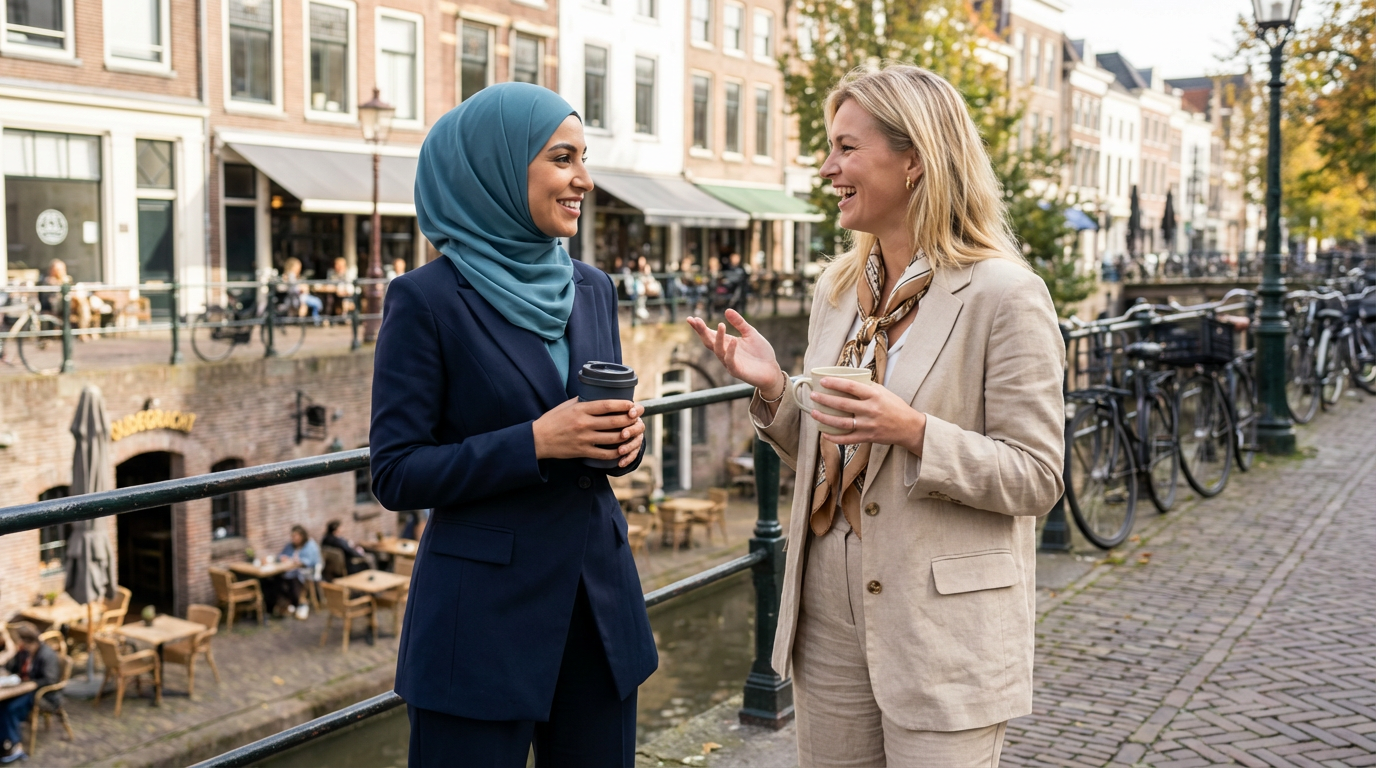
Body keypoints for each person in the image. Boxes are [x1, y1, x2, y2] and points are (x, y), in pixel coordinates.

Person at [687, 65, 1065, 767]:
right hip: (826, 605)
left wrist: (915, 430)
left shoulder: (1005, 295)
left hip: (940, 623)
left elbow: (1037, 478)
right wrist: (776, 391)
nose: (827, 168)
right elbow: (832, 450)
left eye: (845, 148)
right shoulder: (840, 291)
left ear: (915, 158)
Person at [370, 82, 655, 767]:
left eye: (583, 158)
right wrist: (533, 443)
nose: (583, 179)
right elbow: (396, 471)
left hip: (599, 613)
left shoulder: (593, 288)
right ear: (495, 167)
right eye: (562, 158)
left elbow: (596, 433)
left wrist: (625, 445)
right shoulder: (426, 300)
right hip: (479, 629)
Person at [0, 622, 60, 764]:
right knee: (2, 705)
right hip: (23, 688)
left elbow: (50, 679)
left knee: (10, 709)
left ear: (30, 641)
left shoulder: (47, 655)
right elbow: (14, 667)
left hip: (41, 694)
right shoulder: (25, 652)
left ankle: (16, 746)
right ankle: (5, 741)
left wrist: (32, 684)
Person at [265, 525, 320, 619]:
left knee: (294, 579)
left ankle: (298, 603)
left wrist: (301, 562)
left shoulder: (310, 545)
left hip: (305, 572)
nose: (293, 539)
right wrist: (282, 558)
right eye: (292, 536)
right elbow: (281, 555)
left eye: (295, 536)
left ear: (302, 536)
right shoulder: (290, 546)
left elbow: (313, 561)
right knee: (273, 580)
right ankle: (276, 606)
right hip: (287, 571)